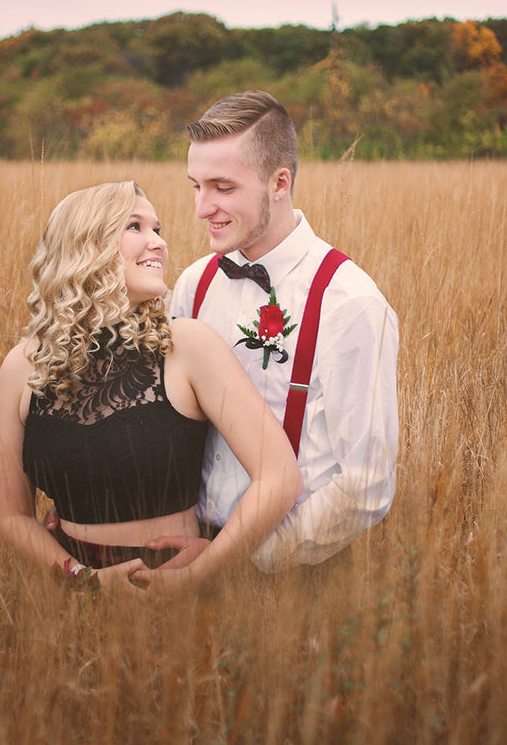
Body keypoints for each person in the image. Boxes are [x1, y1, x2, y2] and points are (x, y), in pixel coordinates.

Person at [0, 181, 301, 598]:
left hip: (175, 589)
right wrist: (84, 581)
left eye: (158, 229)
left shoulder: (188, 346)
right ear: (87, 244)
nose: (159, 243)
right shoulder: (23, 365)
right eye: (136, 227)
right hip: (73, 593)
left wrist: (198, 575)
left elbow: (279, 478)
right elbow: (12, 517)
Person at [150, 90, 399, 574]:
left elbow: (367, 485)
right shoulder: (193, 285)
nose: (202, 208)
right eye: (195, 186)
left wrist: (241, 563)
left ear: (279, 182)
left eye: (222, 187)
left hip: (292, 574)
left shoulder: (349, 303)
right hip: (183, 553)